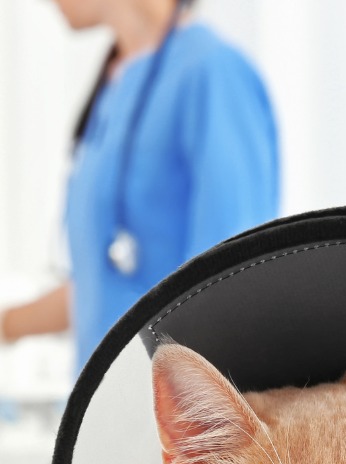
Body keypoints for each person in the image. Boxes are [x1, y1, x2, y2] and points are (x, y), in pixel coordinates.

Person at [0, 0, 278, 371]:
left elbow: (232, 284)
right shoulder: (116, 84)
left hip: (172, 413)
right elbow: (107, 286)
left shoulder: (213, 74)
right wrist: (7, 325)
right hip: (103, 406)